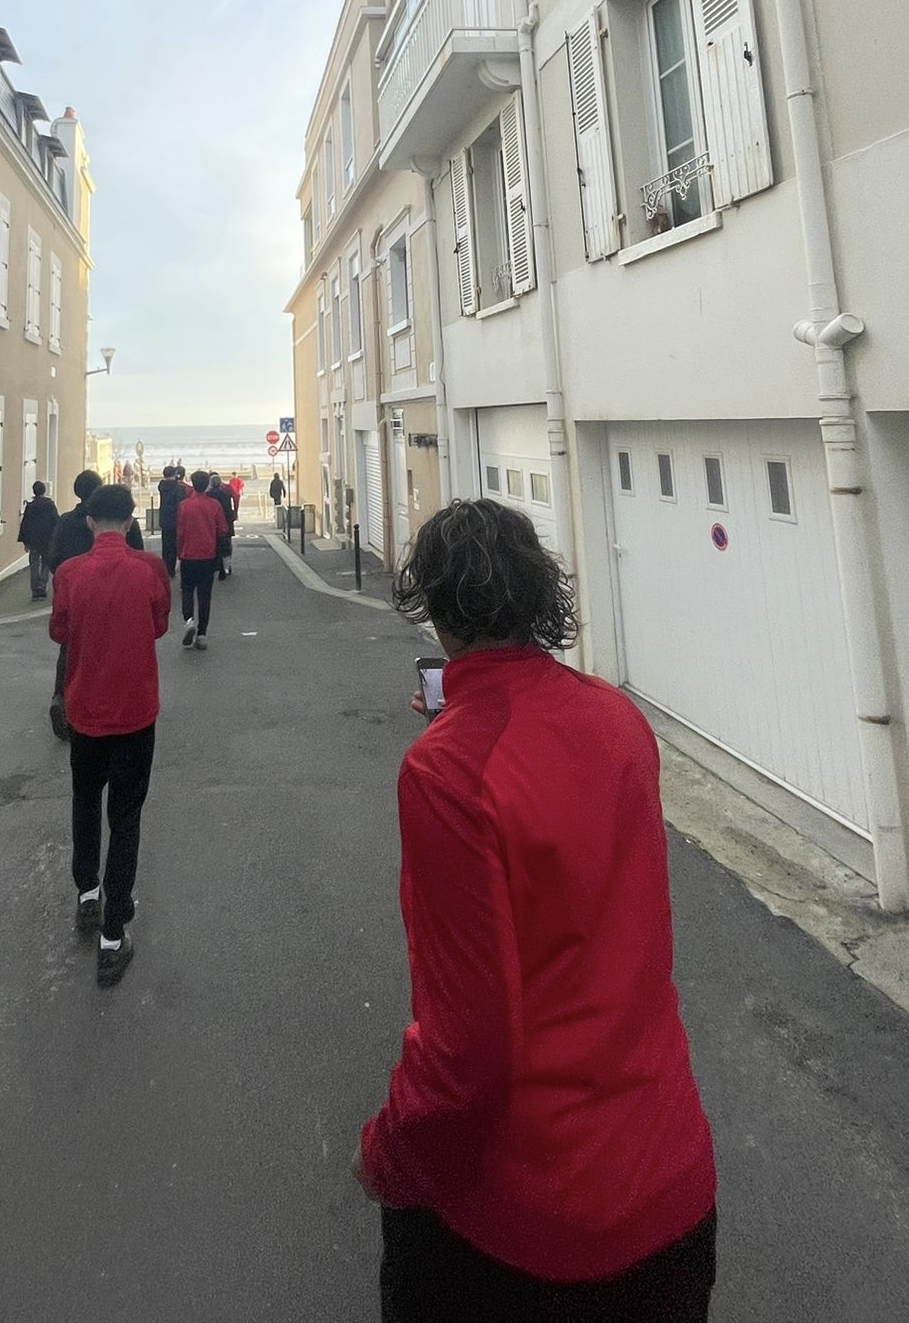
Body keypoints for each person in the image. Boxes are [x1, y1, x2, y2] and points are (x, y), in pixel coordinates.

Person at [357, 499, 717, 1321]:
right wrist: (471, 719)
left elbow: (467, 1052)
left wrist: (386, 1154)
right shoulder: (618, 717)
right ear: (535, 594)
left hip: (527, 1221)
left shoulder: (445, 772)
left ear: (438, 609)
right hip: (670, 1179)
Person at [48, 483, 170, 989]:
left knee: (84, 801)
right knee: (125, 818)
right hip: (136, 712)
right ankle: (113, 935)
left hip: (85, 711)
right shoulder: (150, 569)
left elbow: (59, 631)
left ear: (89, 522)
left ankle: (86, 893)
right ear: (131, 520)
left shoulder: (69, 573)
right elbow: (159, 626)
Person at [45, 471, 144, 741]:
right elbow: (138, 556)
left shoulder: (66, 521)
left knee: (70, 648)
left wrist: (65, 580)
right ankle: (110, 702)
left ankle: (61, 696)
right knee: (113, 649)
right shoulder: (122, 523)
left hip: (75, 593)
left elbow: (53, 557)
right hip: (116, 594)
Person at [175, 469, 225, 651]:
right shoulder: (214, 505)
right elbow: (222, 529)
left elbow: (180, 532)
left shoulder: (184, 505)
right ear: (207, 485)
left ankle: (189, 620)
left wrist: (179, 554)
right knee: (205, 595)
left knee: (187, 590)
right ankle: (202, 634)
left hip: (188, 554)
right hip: (208, 555)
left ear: (192, 483)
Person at [16, 481, 59, 601]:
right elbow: (56, 521)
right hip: (47, 539)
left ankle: (35, 590)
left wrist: (25, 542)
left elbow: (25, 524)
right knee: (46, 563)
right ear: (44, 491)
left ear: (34, 491)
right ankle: (42, 586)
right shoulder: (50, 505)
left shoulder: (30, 506)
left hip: (34, 540)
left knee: (34, 564)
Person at [155, 465, 188, 579]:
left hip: (164, 518)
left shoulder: (162, 486)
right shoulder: (178, 488)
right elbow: (181, 504)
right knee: (174, 545)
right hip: (175, 519)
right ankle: (172, 568)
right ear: (175, 475)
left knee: (166, 545)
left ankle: (166, 567)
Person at [208, 471, 236, 579]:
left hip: (213, 522)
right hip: (227, 520)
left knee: (215, 544)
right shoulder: (226, 492)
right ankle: (227, 567)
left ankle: (217, 566)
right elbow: (236, 498)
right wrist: (235, 512)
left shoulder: (208, 495)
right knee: (227, 544)